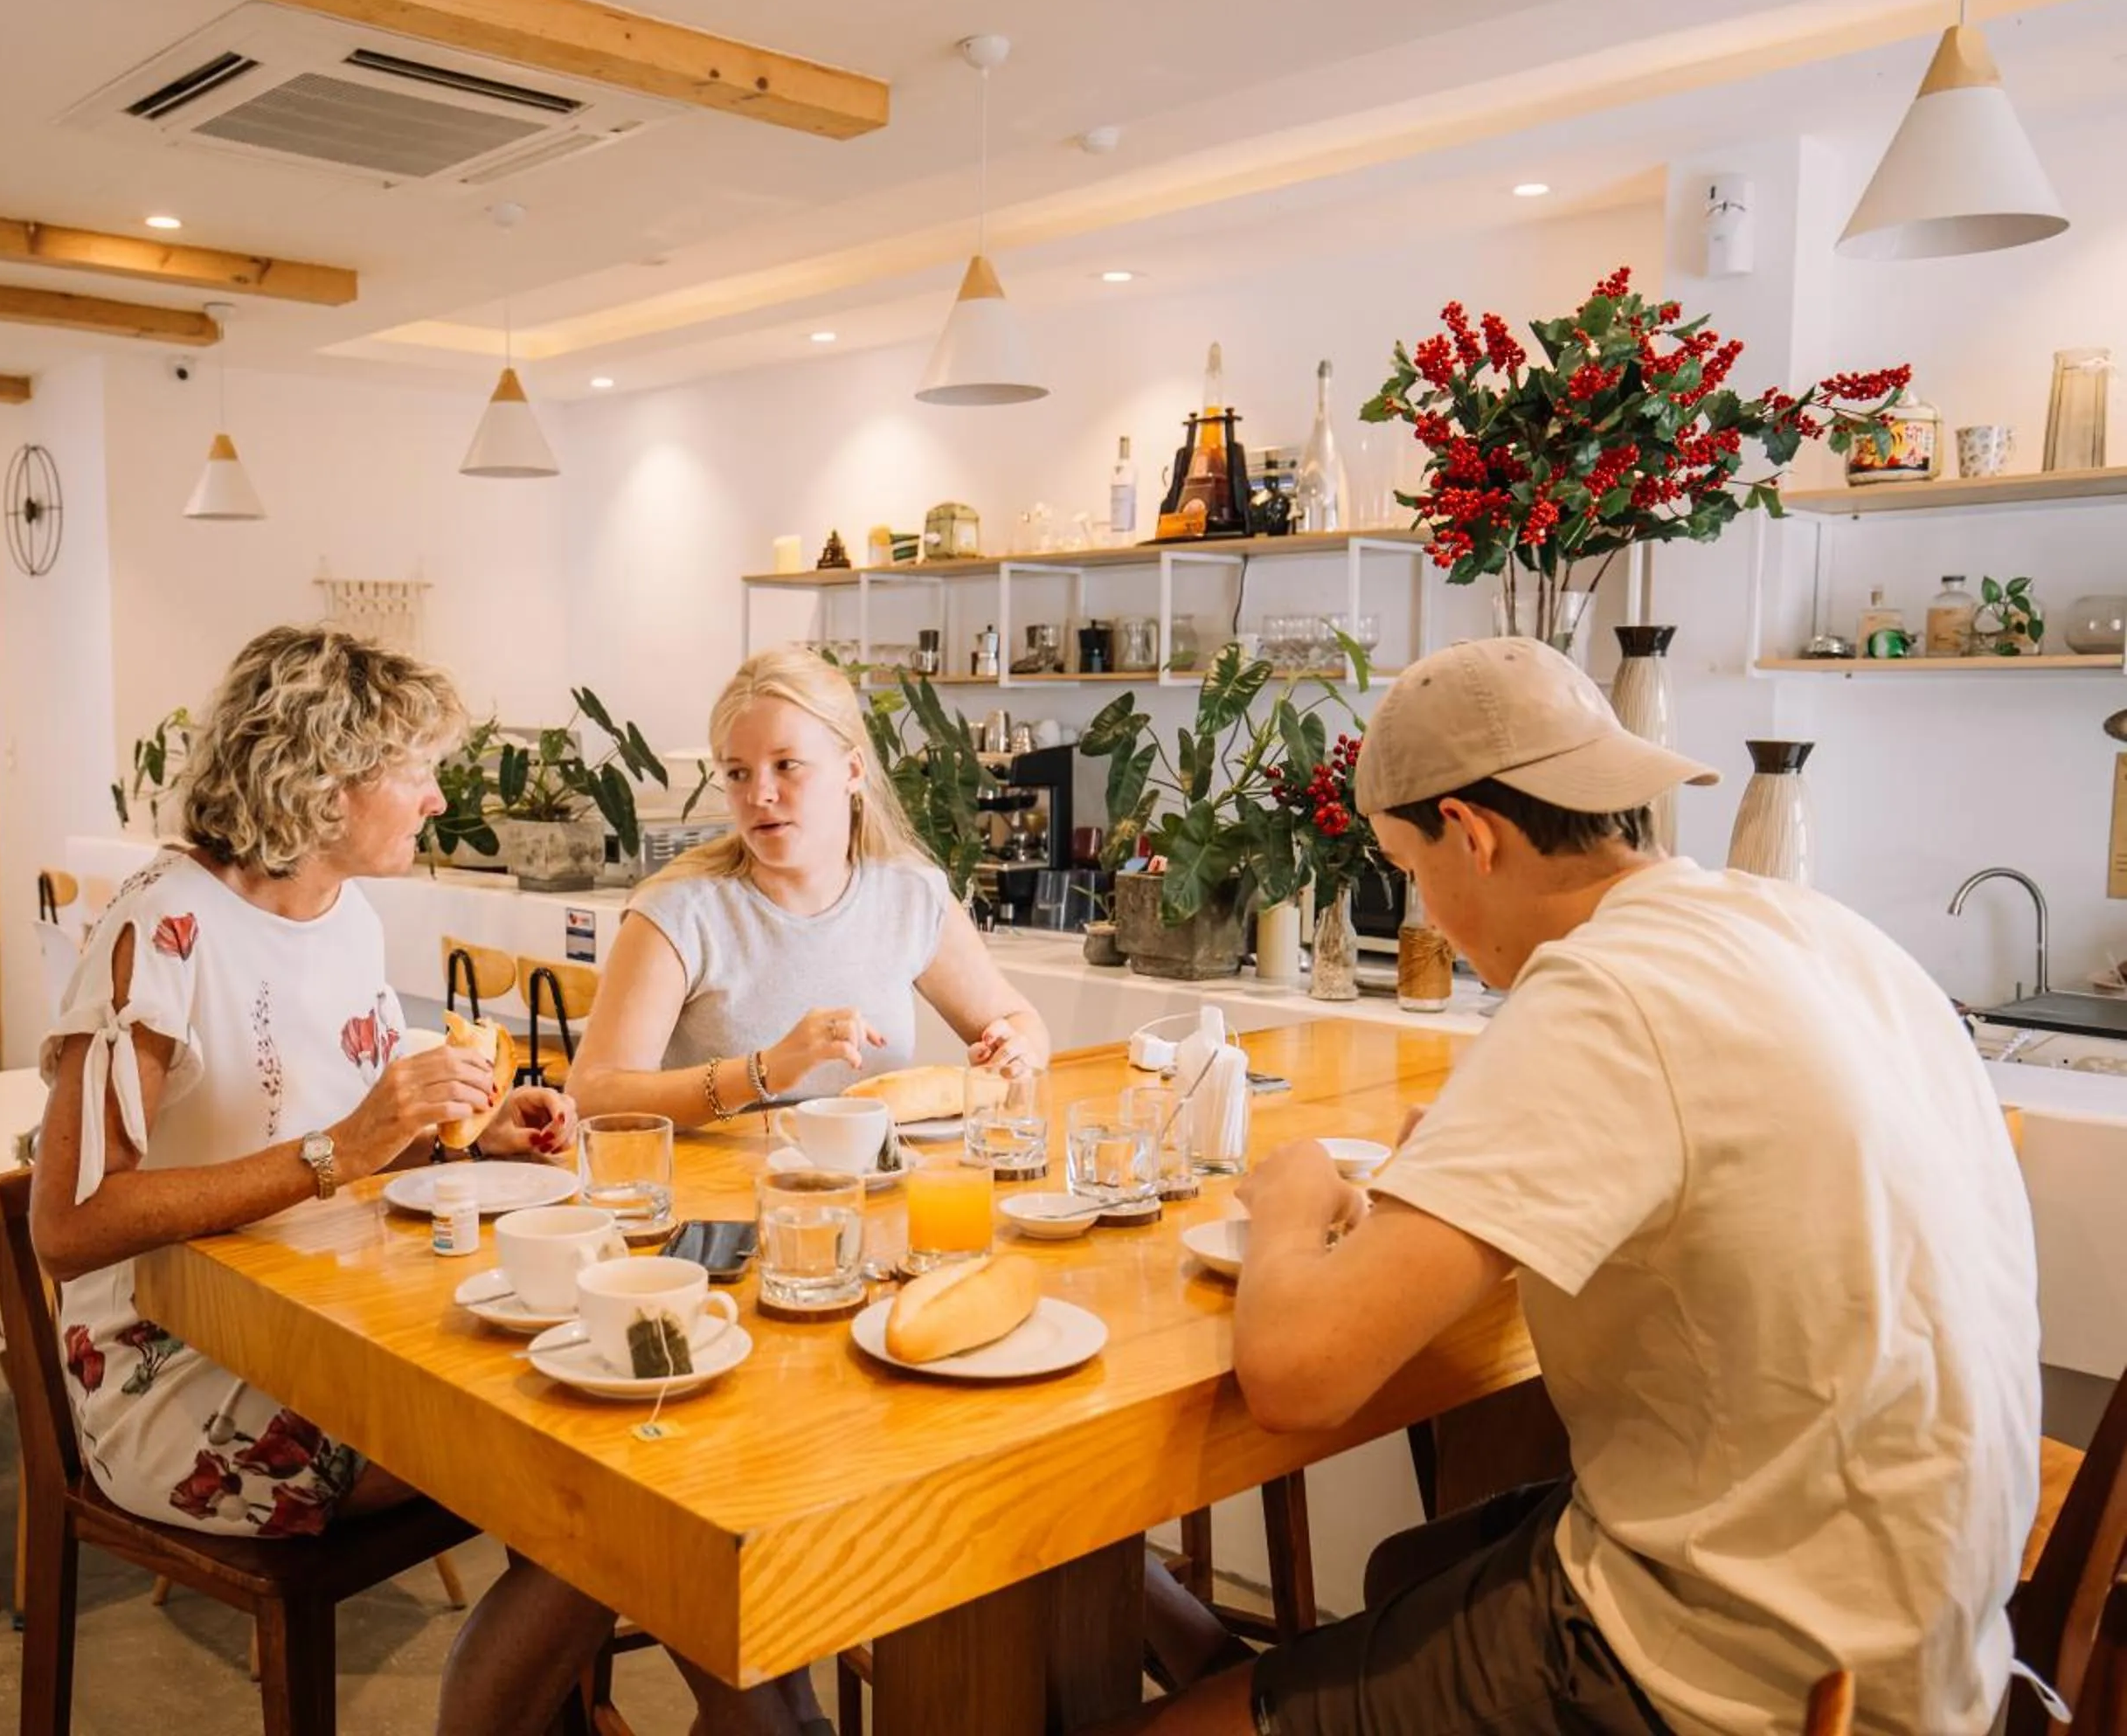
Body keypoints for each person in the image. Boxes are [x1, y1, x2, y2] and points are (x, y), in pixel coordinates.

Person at [1119, 637, 2039, 1735]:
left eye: (1412, 874)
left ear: (1472, 834)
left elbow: (1297, 1376)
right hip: (1934, 1636)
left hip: (1753, 1677)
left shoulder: (1603, 991)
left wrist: (1288, 1203)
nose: (1431, 920)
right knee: (1412, 1564)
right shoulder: (1814, 930)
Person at [31, 626, 609, 1734]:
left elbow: (352, 1136)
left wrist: (470, 1136)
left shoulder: (348, 913)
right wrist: (340, 1151)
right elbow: (66, 1225)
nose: (438, 800)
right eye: (417, 770)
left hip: (322, 1325)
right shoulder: (161, 928)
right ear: (324, 777)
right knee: (585, 1483)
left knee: (601, 1429)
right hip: (179, 1377)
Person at [568, 646, 1049, 1126]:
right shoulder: (677, 914)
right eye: (738, 773)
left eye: (787, 764)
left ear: (853, 770)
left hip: (877, 1192)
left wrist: (1015, 1049)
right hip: (722, 1196)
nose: (760, 795)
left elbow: (1020, 1024)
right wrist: (764, 1072)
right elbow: (592, 1093)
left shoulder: (910, 896)